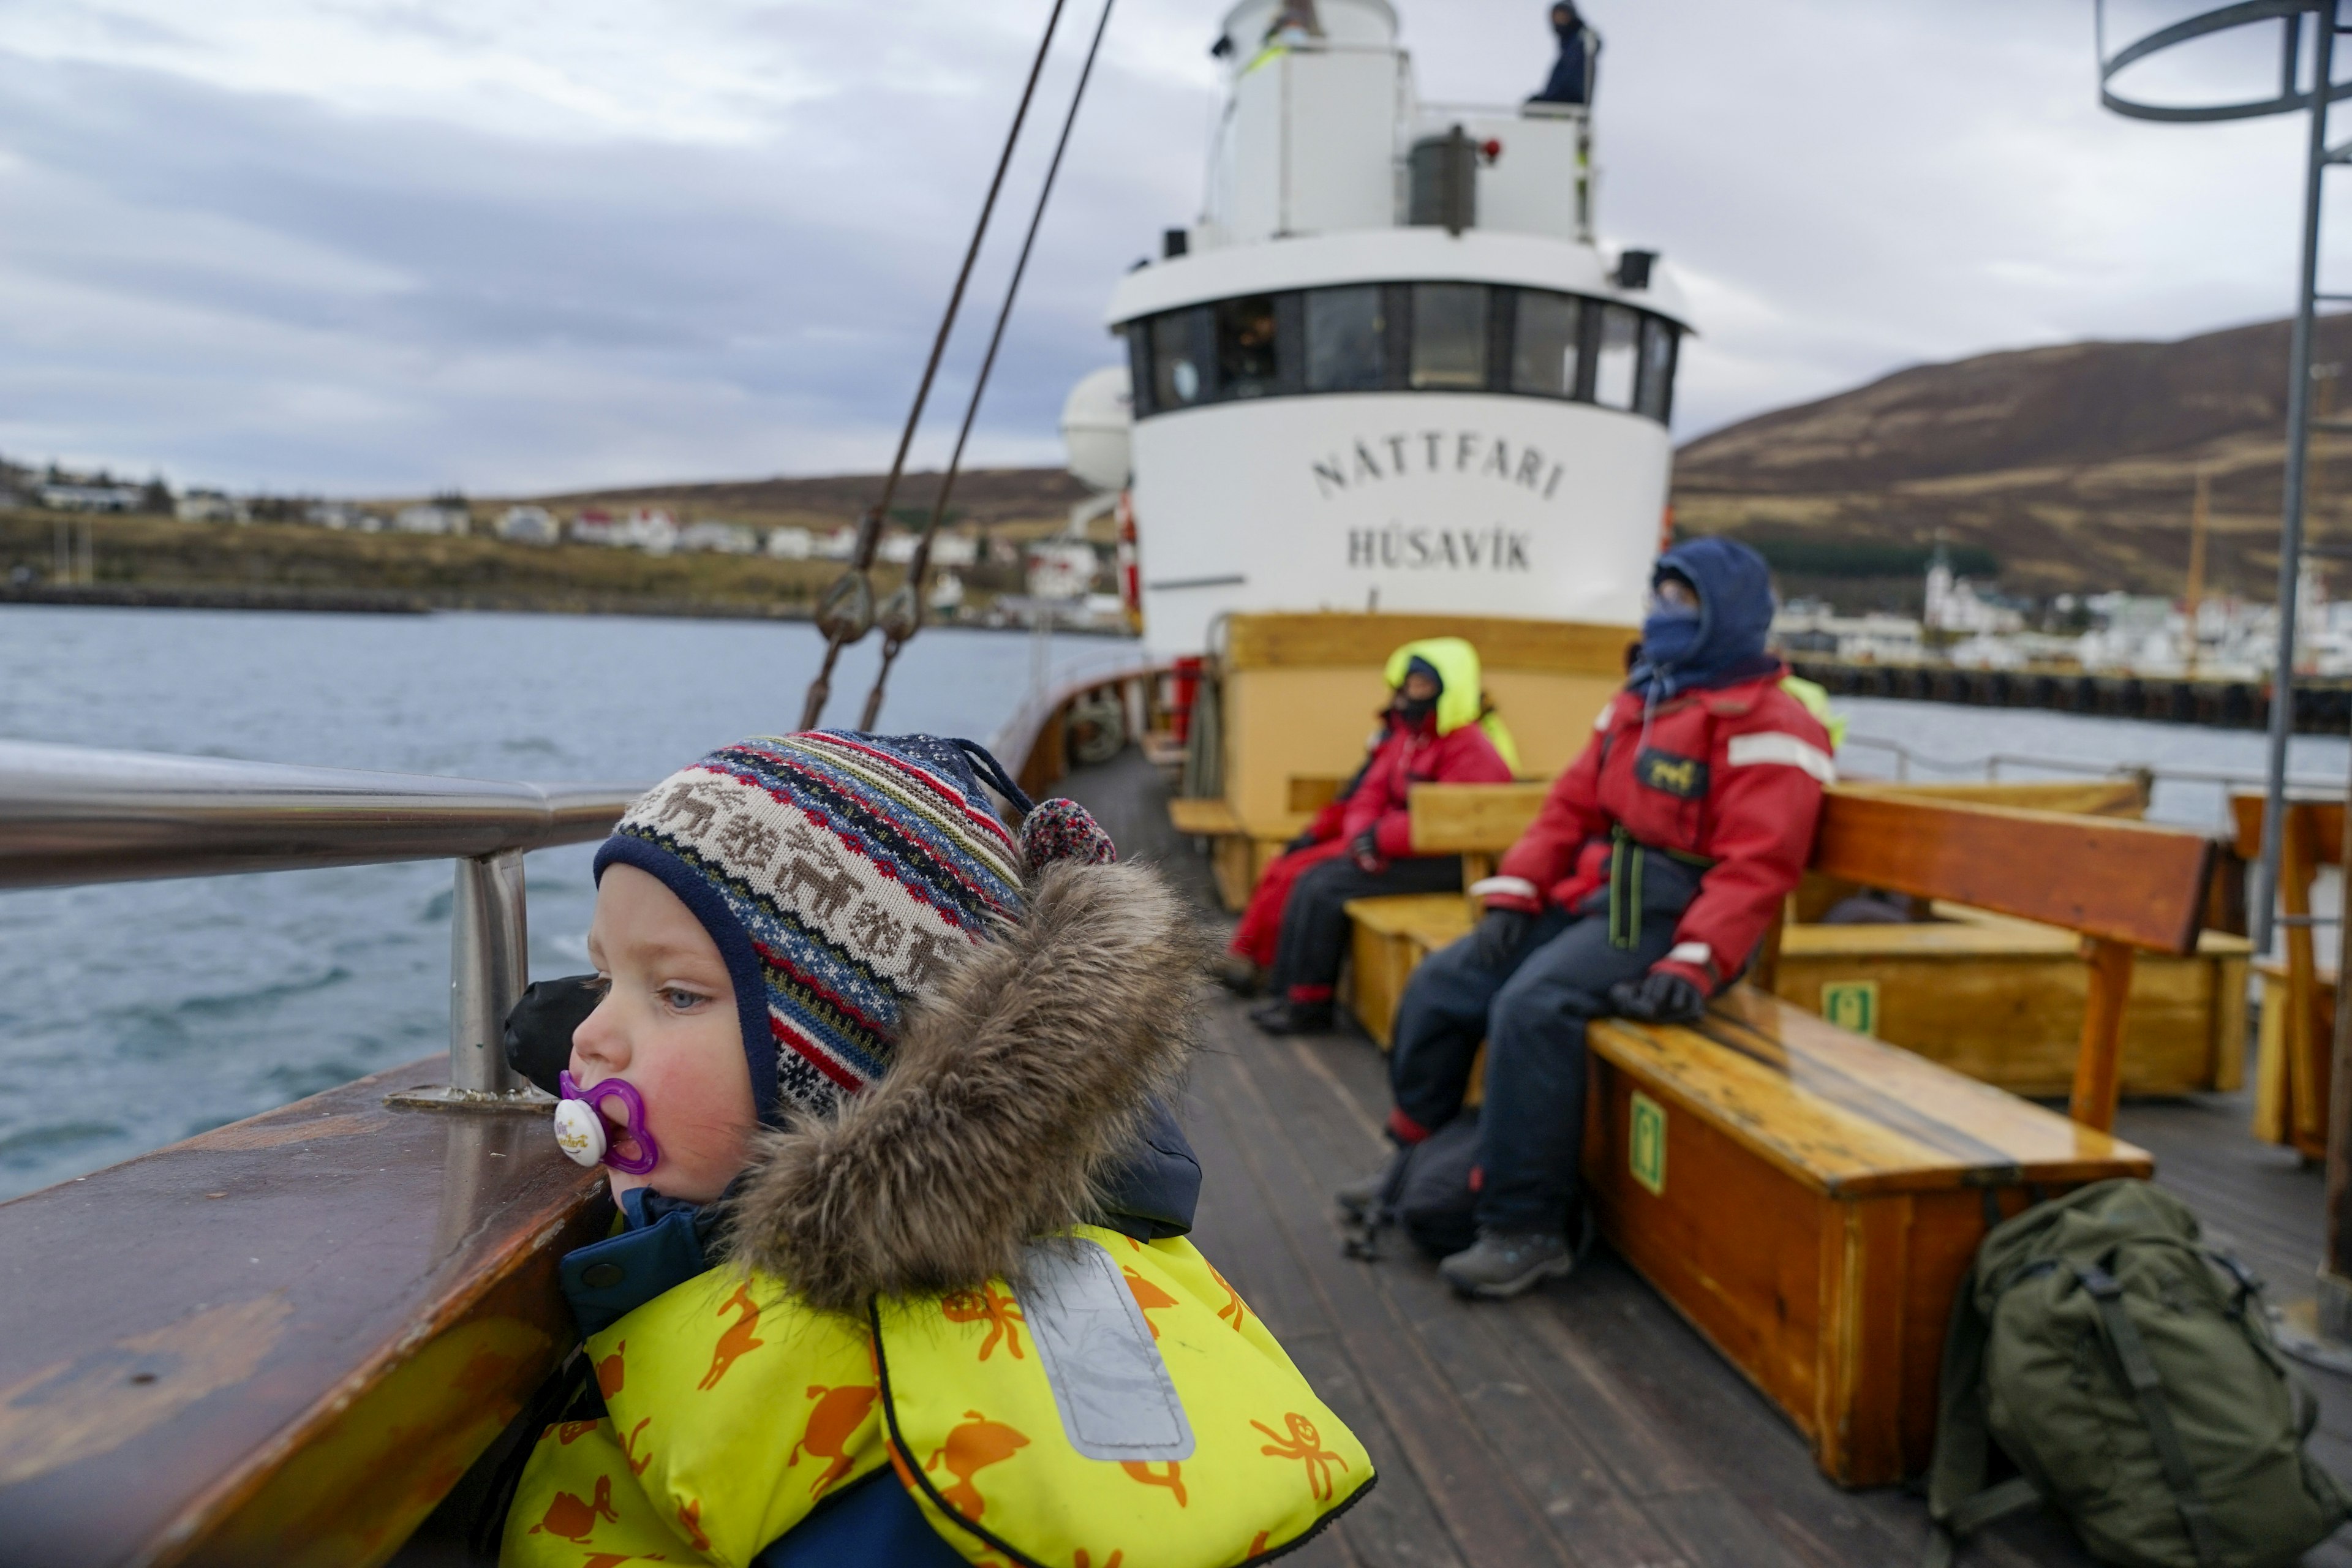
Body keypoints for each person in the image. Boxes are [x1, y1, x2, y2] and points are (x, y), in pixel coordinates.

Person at [497, 731, 1373, 1566]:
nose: (592, 1035)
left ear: (844, 1068)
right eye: (605, 979)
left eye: (678, 994)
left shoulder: (915, 1465)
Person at [1336, 538, 1833, 1299]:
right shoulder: (1641, 701)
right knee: (1443, 982)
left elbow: (1757, 867)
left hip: (1679, 918)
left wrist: (1695, 961)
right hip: (1599, 900)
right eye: (1659, 595)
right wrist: (1514, 892)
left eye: (1682, 599)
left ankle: (1525, 1227)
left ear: (1728, 614)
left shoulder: (1774, 725)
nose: (1662, 613)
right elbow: (1568, 808)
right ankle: (1409, 1161)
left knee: (1533, 1008)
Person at [1248, 638, 1517, 1035]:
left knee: (1324, 888)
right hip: (1401, 851)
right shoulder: (1410, 739)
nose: (1411, 695)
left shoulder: (1471, 748)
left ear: (1449, 690)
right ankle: (1287, 991)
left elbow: (1453, 819)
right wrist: (1362, 834)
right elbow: (1370, 792)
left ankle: (1309, 1005)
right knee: (1310, 881)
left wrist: (1380, 838)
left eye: (1423, 686)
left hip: (1447, 861)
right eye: (1409, 685)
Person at [1528, 2, 1601, 107]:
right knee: (1532, 106)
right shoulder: (1566, 47)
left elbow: (1594, 45)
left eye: (1563, 16)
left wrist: (1590, 40)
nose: (1559, 21)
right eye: (1556, 17)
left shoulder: (1579, 40)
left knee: (1534, 107)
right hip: (1559, 99)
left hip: (1570, 102)